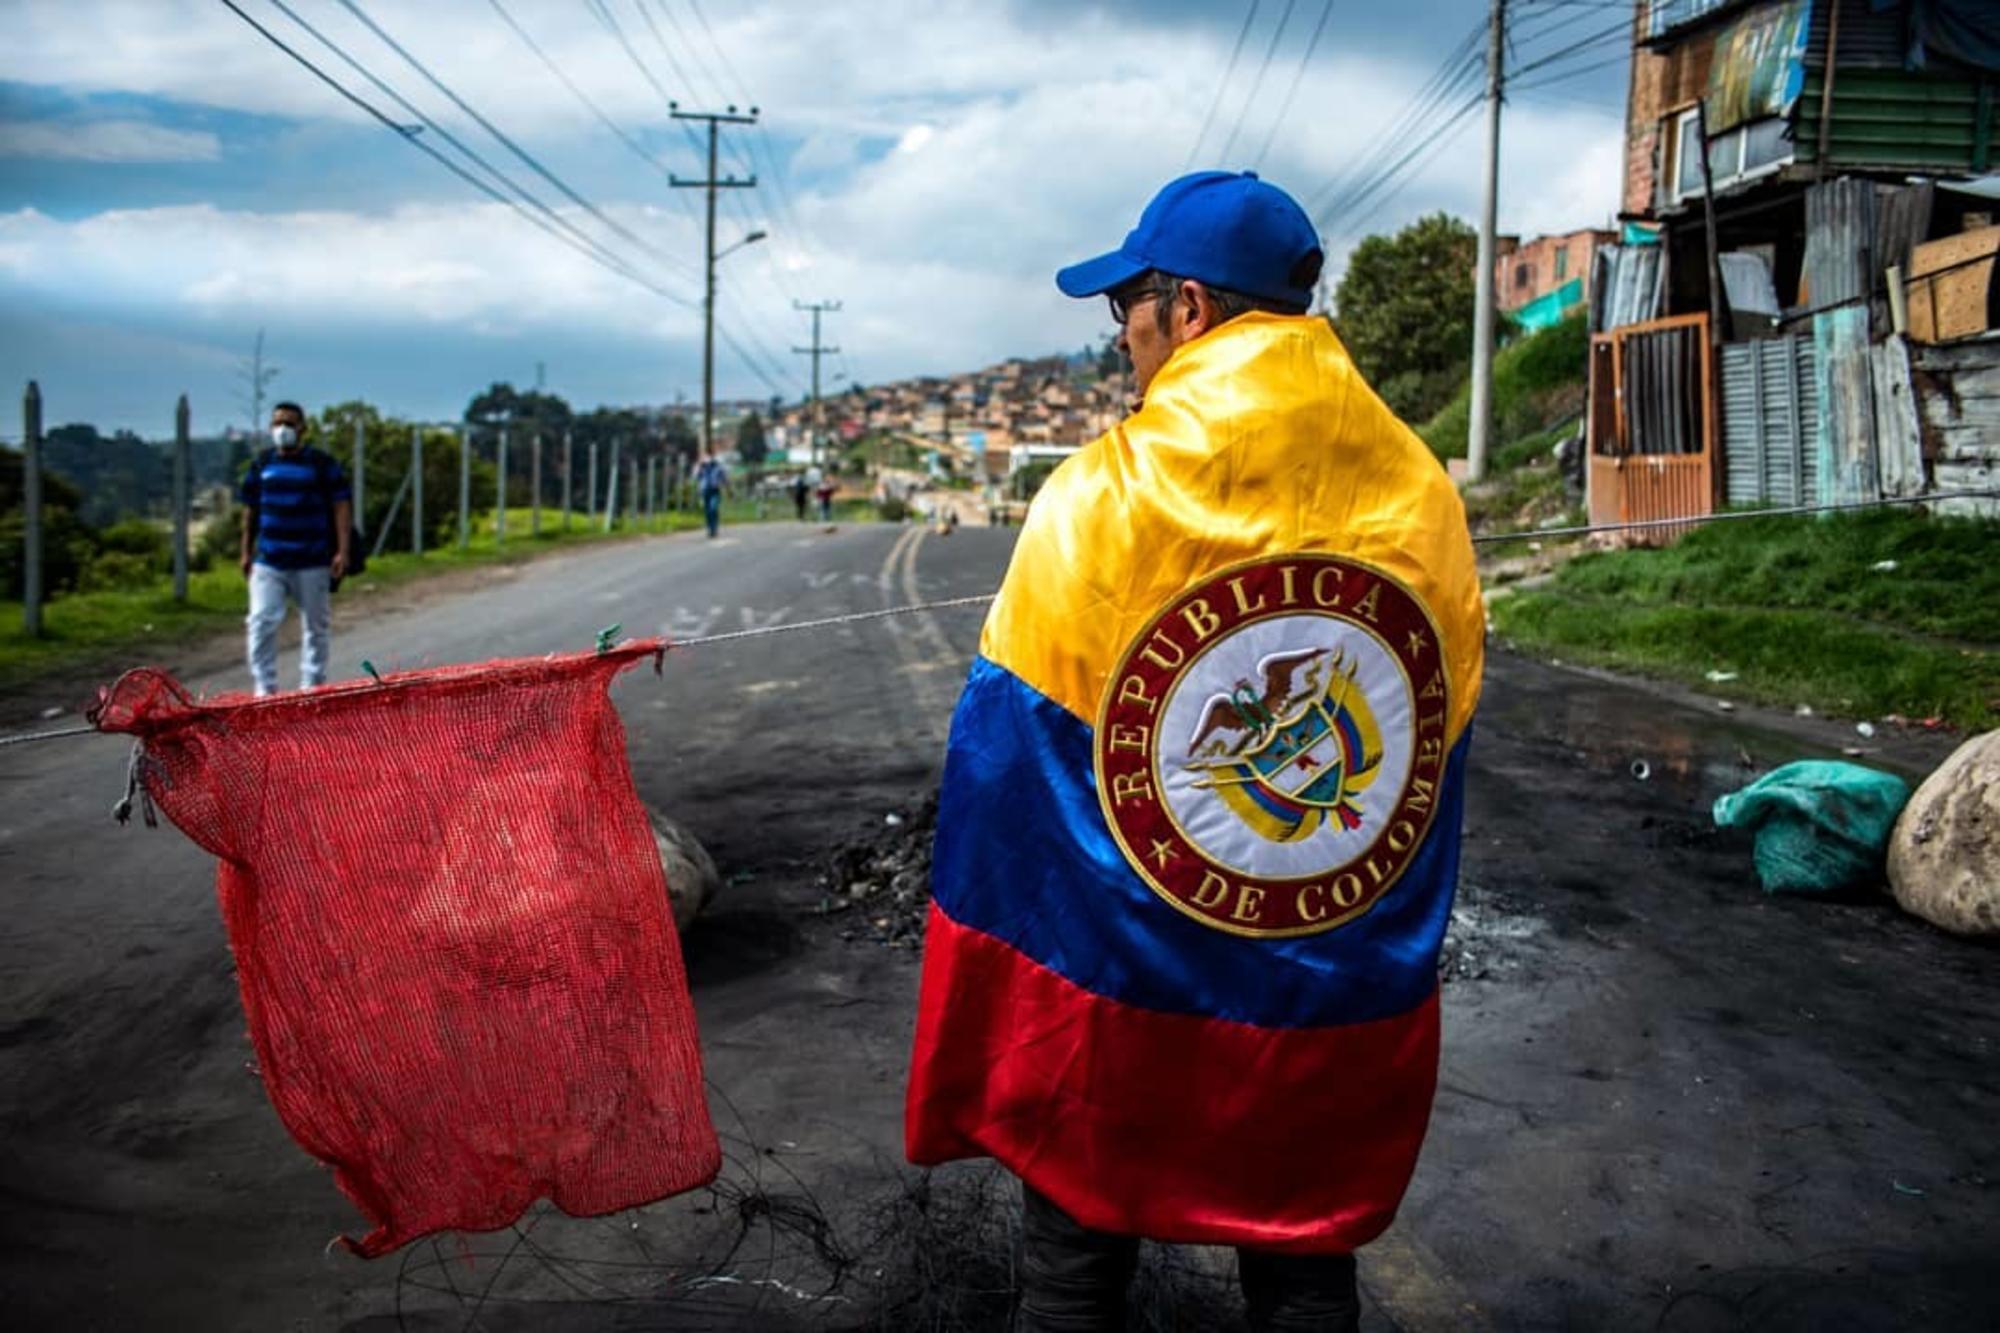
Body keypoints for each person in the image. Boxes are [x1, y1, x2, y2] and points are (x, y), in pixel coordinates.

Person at [905, 171, 1486, 1332]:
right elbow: (1420, 770)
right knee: (1306, 1253)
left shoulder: (1096, 499)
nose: (1119, 334)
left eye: (1126, 305)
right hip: (1322, 1000)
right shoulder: (1419, 494)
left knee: (1075, 1249)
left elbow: (1010, 787)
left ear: (1188, 307)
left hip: (1121, 1011)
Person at [240, 401, 353, 697]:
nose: (283, 430)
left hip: (312, 559)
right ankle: (264, 689)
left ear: (302, 429)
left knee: (316, 625)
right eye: (278, 423)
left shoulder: (320, 464)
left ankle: (312, 686)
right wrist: (245, 550)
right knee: (261, 620)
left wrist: (342, 549)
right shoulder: (262, 465)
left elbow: (341, 505)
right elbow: (250, 510)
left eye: (289, 424)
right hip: (270, 559)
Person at [695, 450, 727, 538]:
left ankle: (714, 528)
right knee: (707, 511)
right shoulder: (701, 467)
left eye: (707, 457)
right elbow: (697, 477)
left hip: (715, 490)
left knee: (713, 509)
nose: (705, 459)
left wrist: (722, 483)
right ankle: (710, 529)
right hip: (705, 490)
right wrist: (699, 466)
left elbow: (724, 477)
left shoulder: (718, 466)